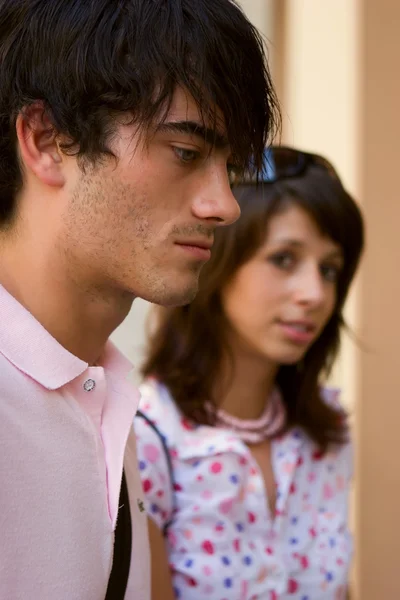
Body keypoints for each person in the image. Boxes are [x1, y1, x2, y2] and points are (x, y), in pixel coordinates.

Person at [0, 1, 280, 598]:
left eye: (229, 166)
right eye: (186, 152)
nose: (224, 206)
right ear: (47, 140)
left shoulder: (107, 397)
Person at [134, 146, 364, 600]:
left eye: (330, 269)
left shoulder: (326, 433)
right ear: (217, 263)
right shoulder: (145, 439)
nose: (314, 293)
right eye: (284, 259)